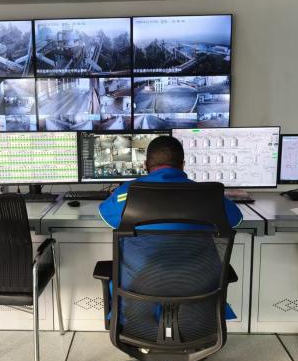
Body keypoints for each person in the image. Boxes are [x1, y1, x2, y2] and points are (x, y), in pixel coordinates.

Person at [99, 135, 243, 320]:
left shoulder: (127, 192)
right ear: (183, 165)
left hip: (138, 290)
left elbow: (106, 216)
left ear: (145, 165)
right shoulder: (210, 195)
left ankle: (144, 328)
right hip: (198, 287)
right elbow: (236, 219)